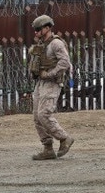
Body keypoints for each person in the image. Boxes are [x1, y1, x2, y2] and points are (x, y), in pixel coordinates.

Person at [28, 15, 75, 160]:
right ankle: (47, 148)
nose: (36, 32)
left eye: (38, 29)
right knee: (37, 116)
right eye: (35, 30)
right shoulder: (42, 44)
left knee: (44, 114)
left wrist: (50, 74)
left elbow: (65, 62)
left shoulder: (56, 44)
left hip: (52, 82)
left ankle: (64, 138)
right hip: (41, 82)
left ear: (47, 28)